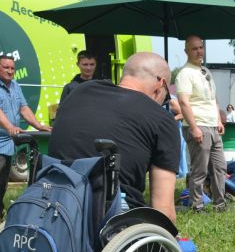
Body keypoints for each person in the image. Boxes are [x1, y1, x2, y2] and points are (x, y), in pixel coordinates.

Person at [48, 52, 178, 223]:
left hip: (52, 202)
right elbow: (163, 210)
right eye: (166, 97)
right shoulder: (162, 119)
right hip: (111, 219)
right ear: (160, 84)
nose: (164, 102)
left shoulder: (79, 92)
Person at [176, 35, 227, 213]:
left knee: (220, 167)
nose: (199, 51)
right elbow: (183, 102)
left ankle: (220, 204)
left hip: (213, 125)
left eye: (201, 47)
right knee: (200, 170)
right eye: (194, 48)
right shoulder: (185, 73)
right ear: (186, 51)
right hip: (198, 125)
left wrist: (219, 120)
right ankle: (197, 205)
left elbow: (213, 98)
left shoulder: (205, 72)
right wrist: (194, 127)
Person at [0, 55, 52, 218]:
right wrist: (10, 127)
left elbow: (24, 108)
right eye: (5, 67)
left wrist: (39, 125)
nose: (9, 71)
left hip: (9, 144)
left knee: (2, 184)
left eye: (12, 68)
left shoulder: (15, 86)